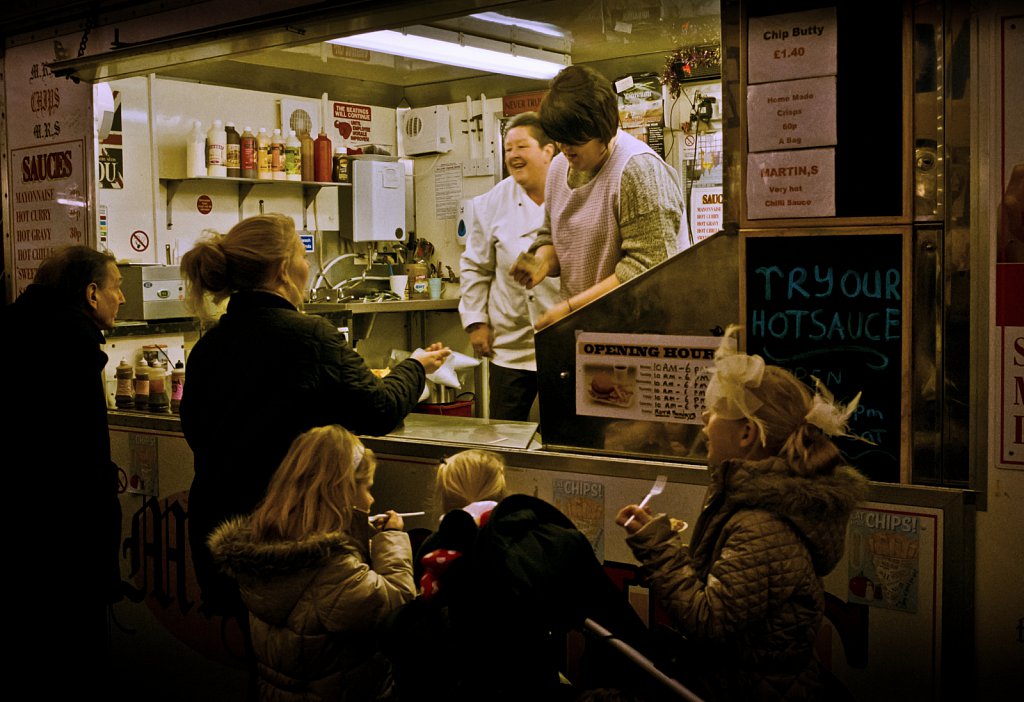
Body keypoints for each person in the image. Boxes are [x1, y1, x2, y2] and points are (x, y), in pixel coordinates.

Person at [178, 213, 449, 627]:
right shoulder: (310, 337)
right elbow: (380, 410)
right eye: (303, 255)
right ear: (285, 268)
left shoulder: (207, 346)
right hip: (290, 539)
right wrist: (416, 366)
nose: (308, 266)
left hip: (221, 537)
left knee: (257, 660)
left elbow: (195, 432)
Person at [615, 325, 868, 702]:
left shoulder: (761, 522)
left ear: (747, 434)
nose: (704, 418)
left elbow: (709, 621)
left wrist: (660, 548)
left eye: (717, 411)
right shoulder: (758, 506)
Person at [207, 424, 415, 702]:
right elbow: (396, 604)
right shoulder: (332, 569)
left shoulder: (262, 544)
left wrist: (356, 534)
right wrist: (391, 538)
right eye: (366, 488)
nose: (371, 499)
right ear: (341, 494)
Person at [0, 245, 125, 696]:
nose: (122, 298)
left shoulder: (15, 327)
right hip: (64, 540)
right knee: (74, 656)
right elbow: (80, 456)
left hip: (22, 536)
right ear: (92, 293)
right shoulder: (72, 347)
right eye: (117, 287)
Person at [510, 65, 688, 330]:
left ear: (603, 129)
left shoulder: (637, 170)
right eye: (560, 139)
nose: (565, 148)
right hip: (586, 331)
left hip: (642, 334)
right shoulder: (559, 169)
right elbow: (552, 234)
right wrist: (541, 262)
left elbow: (649, 268)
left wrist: (571, 309)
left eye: (574, 140)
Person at [459, 111, 562, 420]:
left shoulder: (573, 193)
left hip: (562, 339)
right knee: (504, 433)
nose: (513, 156)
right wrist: (476, 323)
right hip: (510, 346)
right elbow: (476, 266)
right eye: (508, 149)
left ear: (548, 151)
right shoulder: (491, 202)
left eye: (522, 147)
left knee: (563, 434)